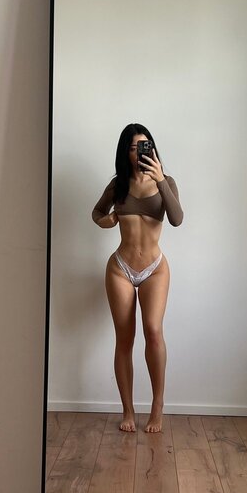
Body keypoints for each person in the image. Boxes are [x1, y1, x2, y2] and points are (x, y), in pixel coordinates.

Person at [92, 123, 184, 433]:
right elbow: (97, 213)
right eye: (133, 148)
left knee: (153, 332)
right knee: (125, 339)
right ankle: (128, 410)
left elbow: (177, 219)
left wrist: (160, 181)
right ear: (125, 152)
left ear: (152, 148)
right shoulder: (118, 185)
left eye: (145, 146)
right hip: (120, 268)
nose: (139, 152)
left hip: (154, 269)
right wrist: (106, 221)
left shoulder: (166, 181)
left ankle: (157, 405)